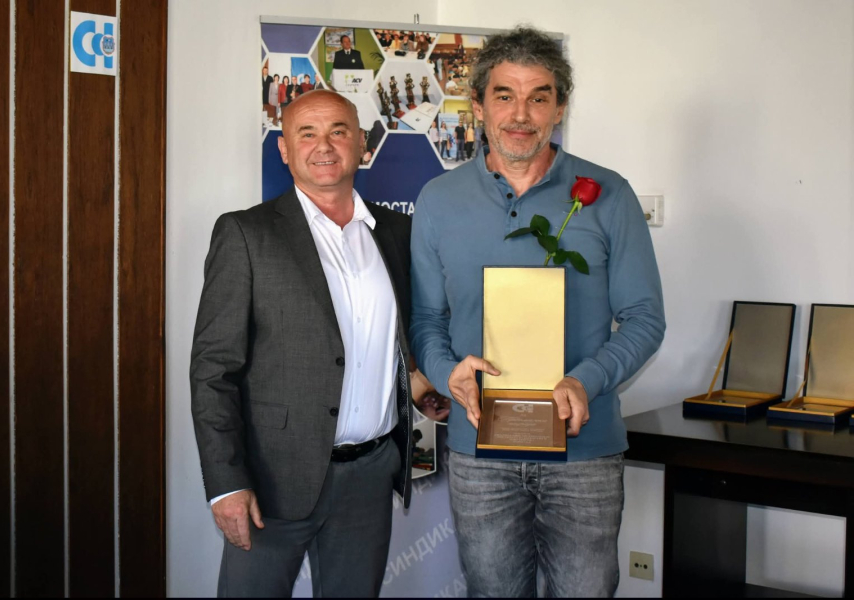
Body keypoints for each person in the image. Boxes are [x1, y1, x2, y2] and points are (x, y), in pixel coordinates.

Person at [410, 26, 665, 598]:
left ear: (560, 108)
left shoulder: (609, 195)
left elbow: (645, 318)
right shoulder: (438, 201)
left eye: (538, 97)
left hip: (584, 450)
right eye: (504, 95)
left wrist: (585, 380)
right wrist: (447, 374)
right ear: (478, 107)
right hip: (480, 452)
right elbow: (426, 319)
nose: (520, 114)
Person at [191, 90, 414, 597]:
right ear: (285, 150)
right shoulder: (245, 234)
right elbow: (213, 370)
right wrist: (227, 483)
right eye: (306, 133)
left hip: (370, 476)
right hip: (272, 481)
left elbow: (398, 339)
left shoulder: (397, 231)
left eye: (338, 131)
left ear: (362, 143)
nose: (324, 145)